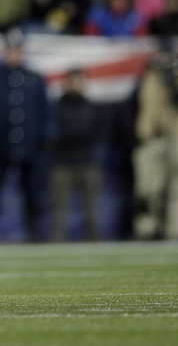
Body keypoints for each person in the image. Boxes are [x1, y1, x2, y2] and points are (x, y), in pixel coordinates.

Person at [0, 29, 50, 241]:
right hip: (2, 145)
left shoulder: (34, 78)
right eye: (11, 50)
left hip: (29, 145)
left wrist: (41, 138)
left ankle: (34, 232)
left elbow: (44, 111)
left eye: (18, 50)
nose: (14, 54)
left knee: (32, 192)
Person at [132, 46, 178, 240]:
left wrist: (173, 82)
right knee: (149, 189)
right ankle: (146, 230)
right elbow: (133, 109)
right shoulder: (148, 80)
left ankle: (174, 232)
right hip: (154, 139)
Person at [50, 70, 105, 242]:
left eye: (79, 81)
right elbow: (52, 134)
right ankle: (58, 241)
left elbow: (98, 133)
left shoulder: (92, 107)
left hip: (87, 161)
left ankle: (93, 239)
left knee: (91, 207)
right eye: (72, 81)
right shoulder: (56, 107)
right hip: (62, 162)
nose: (75, 85)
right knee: (59, 208)